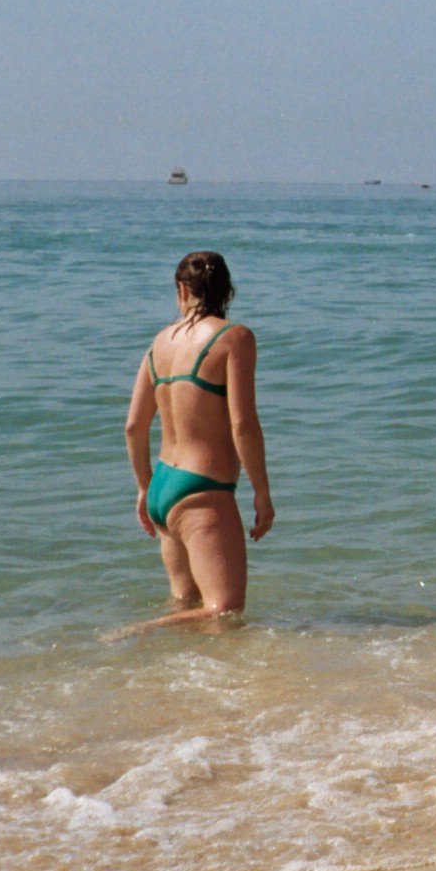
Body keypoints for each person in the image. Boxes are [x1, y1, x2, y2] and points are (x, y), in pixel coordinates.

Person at [118, 251, 274, 635]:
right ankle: (135, 631)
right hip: (202, 490)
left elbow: (134, 427)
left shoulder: (159, 344)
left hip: (162, 490)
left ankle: (184, 690)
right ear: (227, 291)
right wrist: (262, 491)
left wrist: (143, 487)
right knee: (224, 610)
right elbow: (243, 425)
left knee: (187, 609)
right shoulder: (234, 339)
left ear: (182, 289)